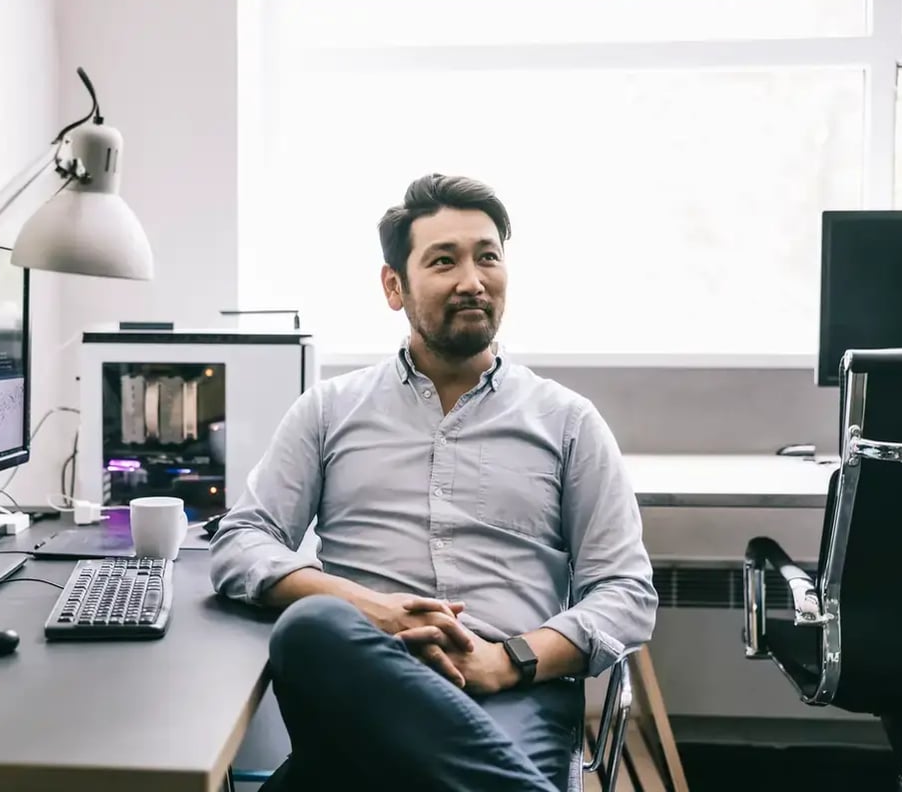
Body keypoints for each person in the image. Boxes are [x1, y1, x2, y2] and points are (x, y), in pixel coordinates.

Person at [209, 173, 657, 791]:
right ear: (395, 286)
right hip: (360, 679)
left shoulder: (568, 421)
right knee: (313, 627)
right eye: (443, 261)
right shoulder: (328, 410)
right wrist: (371, 611)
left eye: (488, 258)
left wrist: (507, 660)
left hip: (510, 694)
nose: (472, 281)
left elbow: (625, 592)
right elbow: (240, 541)